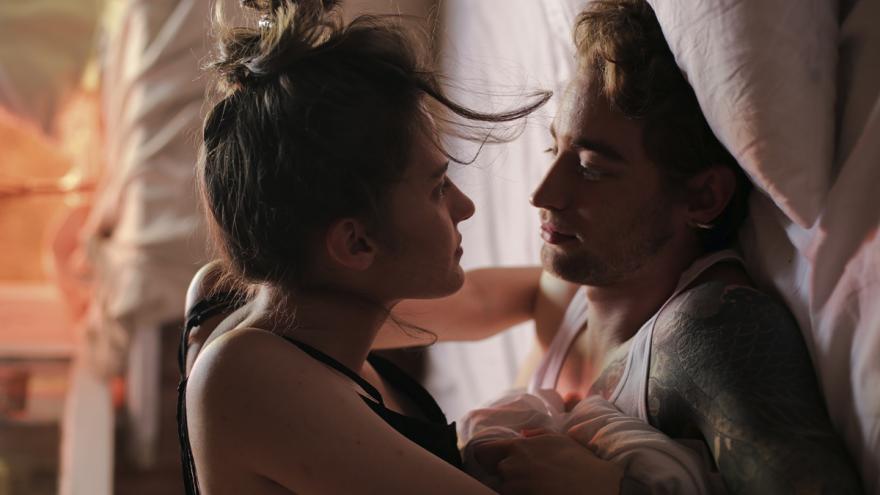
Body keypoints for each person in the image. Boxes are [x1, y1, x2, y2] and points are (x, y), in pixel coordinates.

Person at [373, 0, 864, 493]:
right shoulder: (569, 288)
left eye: (590, 169)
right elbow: (462, 302)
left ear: (703, 196)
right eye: (554, 149)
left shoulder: (709, 334)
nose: (542, 194)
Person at [176, 0, 629, 494]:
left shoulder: (258, 297)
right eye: (437, 189)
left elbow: (491, 300)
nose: (465, 206)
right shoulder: (248, 378)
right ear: (356, 243)